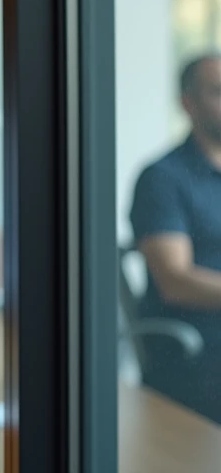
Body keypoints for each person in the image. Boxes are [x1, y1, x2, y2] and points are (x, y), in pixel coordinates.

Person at [131, 51, 221, 424]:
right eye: (218, 91)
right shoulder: (163, 178)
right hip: (198, 352)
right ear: (188, 103)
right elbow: (175, 280)